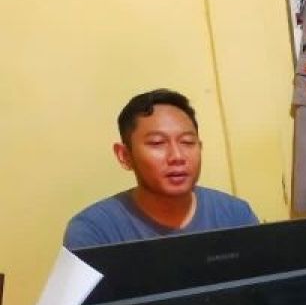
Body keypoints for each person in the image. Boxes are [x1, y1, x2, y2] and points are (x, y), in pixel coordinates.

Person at [63, 89, 257, 249]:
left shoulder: (235, 215)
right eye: (157, 143)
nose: (177, 156)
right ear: (125, 156)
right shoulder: (95, 231)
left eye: (187, 142)